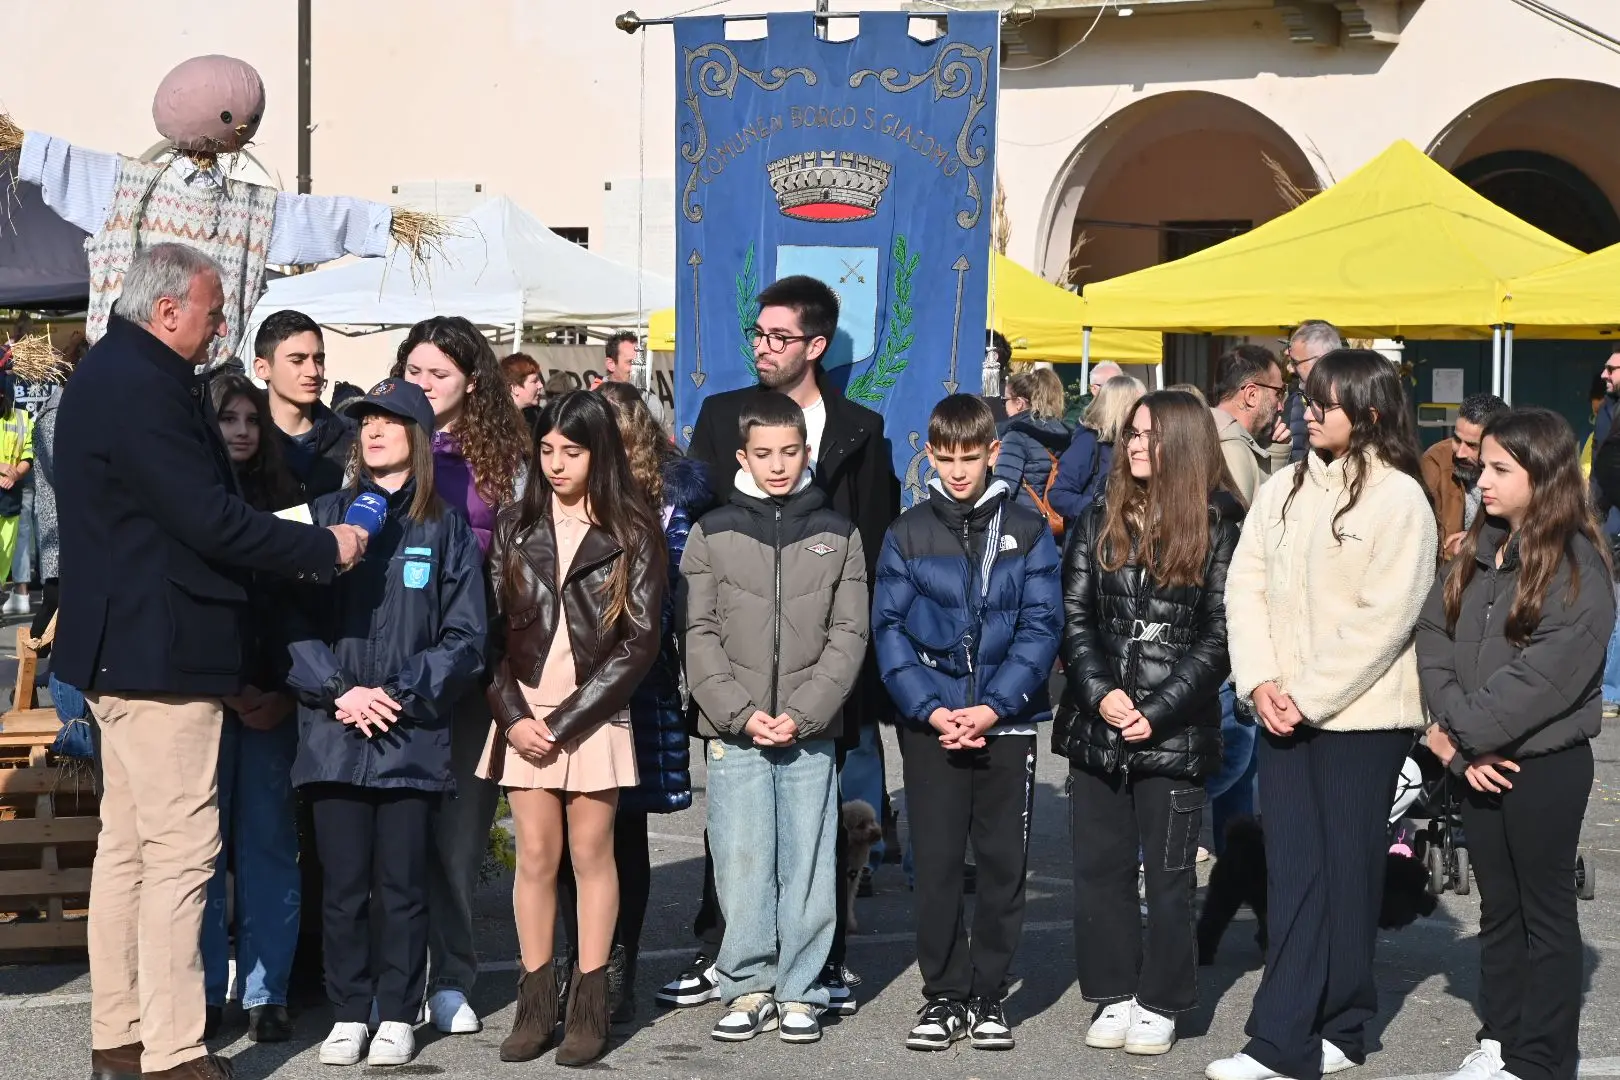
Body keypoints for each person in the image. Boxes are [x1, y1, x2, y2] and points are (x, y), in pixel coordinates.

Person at [55, 243, 364, 1080]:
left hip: (126, 648)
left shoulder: (115, 374)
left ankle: (121, 1036)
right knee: (183, 854)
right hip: (159, 652)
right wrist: (320, 545)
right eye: (213, 309)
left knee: (129, 849)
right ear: (167, 312)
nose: (220, 323)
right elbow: (208, 519)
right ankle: (171, 1051)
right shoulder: (143, 386)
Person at [672, 274, 898, 1014]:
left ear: (817, 345)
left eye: (779, 336)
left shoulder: (861, 430)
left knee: (817, 827)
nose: (764, 347)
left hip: (823, 670)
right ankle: (729, 956)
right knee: (735, 835)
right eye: (758, 334)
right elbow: (699, 544)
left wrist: (840, 680)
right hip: (737, 672)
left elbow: (874, 545)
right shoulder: (721, 416)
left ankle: (817, 965)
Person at [1208, 349, 1437, 1080]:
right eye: (1305, 399)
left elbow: (1387, 617)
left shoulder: (1401, 500)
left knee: (1349, 875)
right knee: (1298, 872)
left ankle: (1342, 1022)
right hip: (1281, 710)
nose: (1307, 411)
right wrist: (1262, 682)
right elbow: (1245, 589)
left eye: (1324, 403)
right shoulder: (1281, 489)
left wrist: (1305, 695)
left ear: (1368, 412)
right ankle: (1284, 1041)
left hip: (1362, 720)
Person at [286, 377, 487, 1069]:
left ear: (419, 436)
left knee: (402, 887)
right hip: (334, 731)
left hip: (409, 732)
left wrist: (398, 692)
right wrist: (339, 690)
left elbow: (466, 636)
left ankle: (398, 1011)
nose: (372, 431)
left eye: (389, 420)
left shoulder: (445, 525)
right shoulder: (325, 514)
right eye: (365, 421)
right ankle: (350, 1010)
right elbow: (288, 620)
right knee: (342, 888)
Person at [1417, 407, 1612, 1080]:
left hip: (1543, 764)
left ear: (1545, 474)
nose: (1483, 479)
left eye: (1502, 468)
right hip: (1474, 761)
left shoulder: (1577, 563)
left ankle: (1541, 1058)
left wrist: (1460, 733)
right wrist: (1454, 743)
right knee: (1498, 909)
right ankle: (1502, 1039)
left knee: (1544, 912)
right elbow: (1434, 637)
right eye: (1482, 466)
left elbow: (1548, 676)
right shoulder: (1477, 548)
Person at [871, 393, 1062, 1053]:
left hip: (1004, 724)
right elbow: (888, 631)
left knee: (1005, 866)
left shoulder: (1028, 529)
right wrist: (932, 708)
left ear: (991, 453)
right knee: (939, 864)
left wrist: (993, 705)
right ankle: (943, 997)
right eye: (946, 457)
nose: (957, 470)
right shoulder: (907, 532)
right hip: (934, 726)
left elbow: (1043, 628)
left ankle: (989, 998)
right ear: (930, 452)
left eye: (969, 456)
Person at [479, 390, 663, 1066]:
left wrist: (564, 721)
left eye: (572, 451)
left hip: (591, 714)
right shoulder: (511, 526)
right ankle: (535, 1005)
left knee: (592, 857)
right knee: (535, 858)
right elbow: (487, 635)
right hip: (524, 713)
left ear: (600, 452)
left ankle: (589, 1007)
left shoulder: (634, 530)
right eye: (547, 449)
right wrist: (514, 717)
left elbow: (638, 643)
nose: (555, 463)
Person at [682, 391, 869, 1045]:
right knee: (740, 859)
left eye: (789, 452)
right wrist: (737, 712)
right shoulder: (712, 532)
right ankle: (747, 983)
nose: (778, 464)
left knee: (811, 861)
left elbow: (850, 636)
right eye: (764, 453)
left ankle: (803, 987)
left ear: (806, 452)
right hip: (735, 731)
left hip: (809, 730)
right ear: (743, 456)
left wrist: (803, 713)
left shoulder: (840, 535)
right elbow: (696, 633)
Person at [1060, 390, 1241, 1057]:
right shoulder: (1096, 519)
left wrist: (1157, 710)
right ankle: (1111, 992)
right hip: (1096, 723)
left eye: (1153, 436)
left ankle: (1160, 999)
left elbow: (1221, 636)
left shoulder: (1220, 525)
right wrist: (1103, 695)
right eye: (1132, 434)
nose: (1137, 446)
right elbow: (1074, 618)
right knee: (1099, 871)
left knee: (1168, 875)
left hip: (1177, 729)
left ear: (1186, 445)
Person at [555, 380, 714, 1022]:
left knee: (624, 829)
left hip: (641, 678)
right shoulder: (563, 488)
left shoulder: (672, 499)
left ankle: (617, 961)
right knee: (570, 829)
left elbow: (677, 597)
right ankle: (575, 960)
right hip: (565, 675)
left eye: (617, 425)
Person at [393, 315, 529, 1033]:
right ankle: (394, 980)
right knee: (394, 832)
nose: (421, 386)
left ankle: (451, 976)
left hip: (475, 667)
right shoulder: (381, 444)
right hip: (395, 667)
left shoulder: (504, 458)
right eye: (412, 372)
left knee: (457, 836)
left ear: (471, 383)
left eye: (437, 375)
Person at [199, 374, 304, 1044]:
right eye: (227, 418)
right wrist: (230, 686)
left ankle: (269, 993)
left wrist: (284, 692)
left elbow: (301, 605)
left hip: (273, 697)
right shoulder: (192, 497)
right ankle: (207, 991)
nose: (240, 430)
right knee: (200, 855)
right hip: (205, 697)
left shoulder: (288, 499)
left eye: (250, 419)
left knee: (269, 848)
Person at [252, 310, 354, 502]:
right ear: (262, 368)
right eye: (297, 360)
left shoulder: (351, 444)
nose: (313, 371)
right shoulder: (241, 440)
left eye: (318, 359)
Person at [1421, 393, 1508, 561]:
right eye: (1456, 439)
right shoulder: (1436, 461)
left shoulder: (1516, 470)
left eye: (1472, 445)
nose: (1460, 453)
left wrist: (1476, 539)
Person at [1050, 374, 1144, 525]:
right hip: (1091, 537)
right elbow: (1059, 495)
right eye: (1135, 405)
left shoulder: (1130, 442)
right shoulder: (1088, 441)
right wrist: (1103, 507)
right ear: (1120, 406)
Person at [993, 368, 1073, 523]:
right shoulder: (1066, 432)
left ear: (1019, 403)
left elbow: (1002, 487)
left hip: (1024, 526)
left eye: (1005, 401)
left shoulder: (1017, 435)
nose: (1003, 406)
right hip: (1059, 522)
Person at [1210, 344, 1286, 507]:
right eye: (1278, 393)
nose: (1281, 406)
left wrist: (1277, 451)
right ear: (1251, 395)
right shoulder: (1231, 447)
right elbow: (1243, 528)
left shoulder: (1209, 432)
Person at [1273, 320, 1345, 468]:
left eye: (1295, 362)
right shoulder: (1298, 398)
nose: (1291, 369)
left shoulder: (1354, 397)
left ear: (1320, 360)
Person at [0, 367, 35, 608]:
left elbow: (29, 453)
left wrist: (15, 473)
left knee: (6, 551)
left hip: (10, 493)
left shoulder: (21, 418)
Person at [602, 330, 669, 432]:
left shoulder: (651, 402)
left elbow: (661, 444)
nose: (638, 368)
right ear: (611, 364)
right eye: (631, 362)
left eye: (640, 363)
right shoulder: (595, 400)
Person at [504, 352, 544, 432]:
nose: (540, 385)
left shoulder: (536, 415)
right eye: (534, 381)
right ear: (514, 388)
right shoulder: (497, 422)